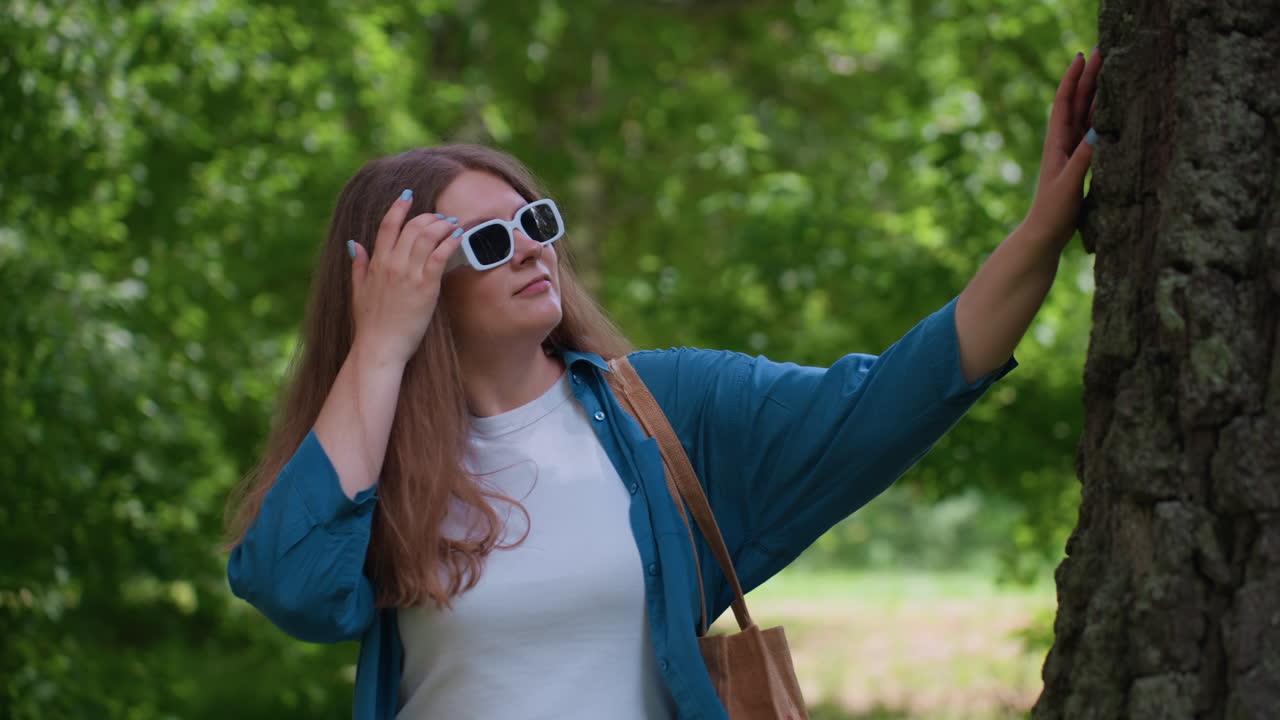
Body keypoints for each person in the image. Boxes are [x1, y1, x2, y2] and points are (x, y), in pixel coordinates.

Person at [225, 50, 1102, 720]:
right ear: (414, 292)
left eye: (535, 221)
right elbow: (294, 586)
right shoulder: (375, 470)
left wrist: (1041, 230)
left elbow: (887, 401)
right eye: (487, 244)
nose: (532, 248)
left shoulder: (663, 409)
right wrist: (378, 349)